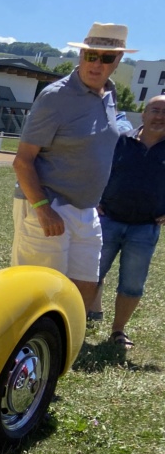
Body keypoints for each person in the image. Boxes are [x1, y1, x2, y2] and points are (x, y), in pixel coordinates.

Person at [10, 23, 137, 312]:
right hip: (49, 204)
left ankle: (64, 349)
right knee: (40, 290)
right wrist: (43, 208)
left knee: (85, 287)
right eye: (91, 55)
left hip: (87, 210)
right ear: (81, 54)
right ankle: (26, 352)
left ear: (117, 62)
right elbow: (22, 161)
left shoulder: (110, 95)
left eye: (106, 58)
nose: (97, 64)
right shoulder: (56, 96)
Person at [87, 95, 165, 349]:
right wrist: (95, 198)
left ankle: (118, 331)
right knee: (90, 275)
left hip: (145, 228)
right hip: (108, 221)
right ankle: (77, 323)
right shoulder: (119, 141)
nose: (160, 117)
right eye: (155, 110)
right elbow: (97, 170)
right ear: (143, 114)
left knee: (132, 284)